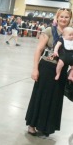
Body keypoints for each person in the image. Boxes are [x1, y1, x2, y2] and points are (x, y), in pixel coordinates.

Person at [25, 8, 73, 137]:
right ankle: (32, 125)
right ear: (57, 18)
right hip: (46, 67)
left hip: (62, 70)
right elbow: (38, 50)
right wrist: (35, 69)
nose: (63, 19)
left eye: (66, 17)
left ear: (70, 19)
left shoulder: (71, 33)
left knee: (55, 99)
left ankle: (46, 126)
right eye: (61, 17)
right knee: (40, 96)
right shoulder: (49, 31)